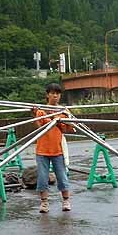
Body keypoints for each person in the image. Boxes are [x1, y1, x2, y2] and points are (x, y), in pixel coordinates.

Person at [32, 83, 75, 213]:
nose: (55, 95)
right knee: (42, 177)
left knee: (62, 176)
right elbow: (39, 127)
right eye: (52, 93)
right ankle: (44, 203)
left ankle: (66, 200)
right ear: (47, 95)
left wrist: (61, 118)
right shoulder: (41, 111)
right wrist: (37, 114)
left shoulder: (63, 111)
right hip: (42, 150)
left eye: (57, 93)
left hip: (58, 149)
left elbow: (69, 128)